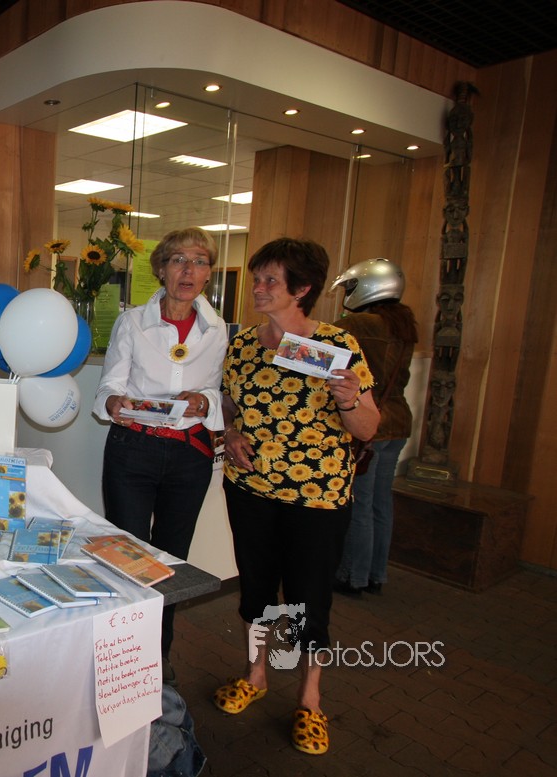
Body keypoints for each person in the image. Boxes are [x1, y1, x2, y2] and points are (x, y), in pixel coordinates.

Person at [216, 237, 379, 756]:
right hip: (251, 490)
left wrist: (349, 399)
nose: (258, 288)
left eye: (271, 280)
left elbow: (368, 427)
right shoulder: (243, 345)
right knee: (257, 591)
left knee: (310, 597)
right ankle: (256, 675)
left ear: (302, 289)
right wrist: (230, 433)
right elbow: (229, 403)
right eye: (257, 278)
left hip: (317, 498)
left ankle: (310, 700)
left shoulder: (335, 345)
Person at [93, 227, 227, 684]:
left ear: (208, 274)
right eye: (178, 260)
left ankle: (156, 658)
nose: (189, 270)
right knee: (128, 558)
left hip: (190, 456)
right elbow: (111, 384)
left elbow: (216, 389)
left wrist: (205, 400)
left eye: (200, 261)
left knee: (171, 562)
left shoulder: (218, 329)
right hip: (133, 451)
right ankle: (121, 658)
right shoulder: (132, 321)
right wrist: (114, 402)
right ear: (162, 269)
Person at [330, 258, 418, 595]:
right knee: (382, 503)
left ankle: (352, 576)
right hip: (398, 420)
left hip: (370, 422)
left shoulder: (357, 324)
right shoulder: (402, 323)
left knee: (360, 504)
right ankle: (375, 575)